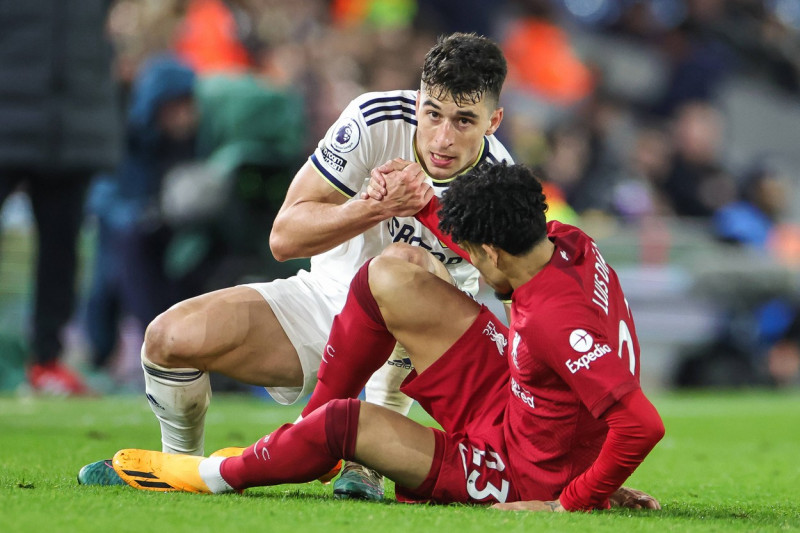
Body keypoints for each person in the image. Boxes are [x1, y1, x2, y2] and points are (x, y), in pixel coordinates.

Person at [79, 33, 512, 499]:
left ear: (494, 121)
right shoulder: (373, 120)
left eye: (464, 121)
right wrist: (371, 207)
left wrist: (445, 219)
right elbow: (284, 237)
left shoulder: (502, 182)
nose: (443, 138)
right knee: (167, 339)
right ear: (419, 99)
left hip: (417, 353)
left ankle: (366, 461)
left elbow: (512, 286)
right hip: (326, 305)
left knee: (406, 266)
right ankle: (181, 466)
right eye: (433, 114)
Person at [107, 162, 665, 511]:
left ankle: (202, 475)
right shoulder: (566, 242)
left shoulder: (555, 321)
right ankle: (306, 436)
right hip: (520, 403)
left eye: (473, 255)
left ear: (493, 252)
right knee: (386, 276)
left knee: (343, 425)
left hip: (521, 472)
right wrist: (423, 203)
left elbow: (641, 425)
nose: (470, 261)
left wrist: (571, 502)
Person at [0, 0, 122, 395]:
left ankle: (46, 362)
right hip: (14, 119)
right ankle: (45, 361)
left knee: (61, 252)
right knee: (60, 252)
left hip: (73, 130)